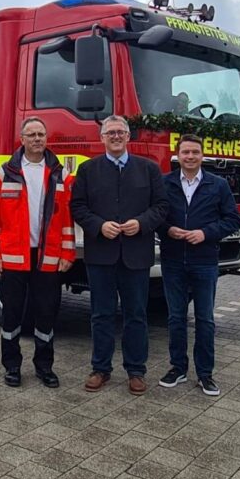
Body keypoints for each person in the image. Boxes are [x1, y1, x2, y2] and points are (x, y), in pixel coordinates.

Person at [70, 114, 168, 396]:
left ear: (128, 137)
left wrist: (142, 223)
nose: (115, 136)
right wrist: (99, 226)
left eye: (120, 132)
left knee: (136, 314)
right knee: (101, 314)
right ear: (102, 137)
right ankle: (100, 368)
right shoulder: (88, 170)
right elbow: (77, 207)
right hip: (101, 254)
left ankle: (136, 371)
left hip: (136, 255)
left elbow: (161, 206)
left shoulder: (148, 169)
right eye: (110, 132)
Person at [0, 117, 75, 388]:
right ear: (22, 139)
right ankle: (12, 366)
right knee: (12, 314)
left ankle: (44, 367)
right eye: (32, 134)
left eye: (41, 134)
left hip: (48, 255)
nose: (37, 139)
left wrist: (68, 252)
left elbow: (66, 218)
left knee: (46, 313)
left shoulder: (60, 174)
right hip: (13, 256)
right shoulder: (4, 174)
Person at [158, 133, 240, 396]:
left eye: (195, 152)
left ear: (202, 155)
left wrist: (206, 233)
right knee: (175, 318)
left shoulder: (218, 185)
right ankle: (178, 368)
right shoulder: (165, 183)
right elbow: (155, 216)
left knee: (205, 319)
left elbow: (232, 219)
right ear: (177, 155)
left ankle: (205, 374)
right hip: (173, 260)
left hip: (205, 261)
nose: (190, 156)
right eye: (186, 152)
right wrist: (167, 229)